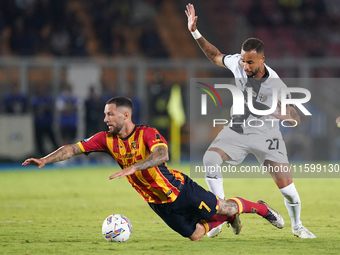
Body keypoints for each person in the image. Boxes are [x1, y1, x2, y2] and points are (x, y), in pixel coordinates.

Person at [22, 96, 284, 241]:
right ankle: (224, 217)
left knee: (225, 206)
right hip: (156, 202)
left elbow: (162, 154)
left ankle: (261, 208)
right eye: (104, 115)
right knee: (195, 236)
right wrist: (46, 159)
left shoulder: (147, 133)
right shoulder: (106, 139)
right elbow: (73, 148)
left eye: (109, 114)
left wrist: (134, 166)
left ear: (125, 115)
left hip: (180, 190)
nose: (105, 119)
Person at [185, 3, 315, 239]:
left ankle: (297, 225)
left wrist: (285, 117)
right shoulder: (237, 62)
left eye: (250, 62)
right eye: (243, 61)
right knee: (210, 159)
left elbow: (295, 117)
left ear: (262, 59)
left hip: (266, 134)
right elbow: (215, 55)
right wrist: (195, 32)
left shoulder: (275, 84)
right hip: (237, 128)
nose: (245, 66)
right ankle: (219, 215)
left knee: (289, 191)